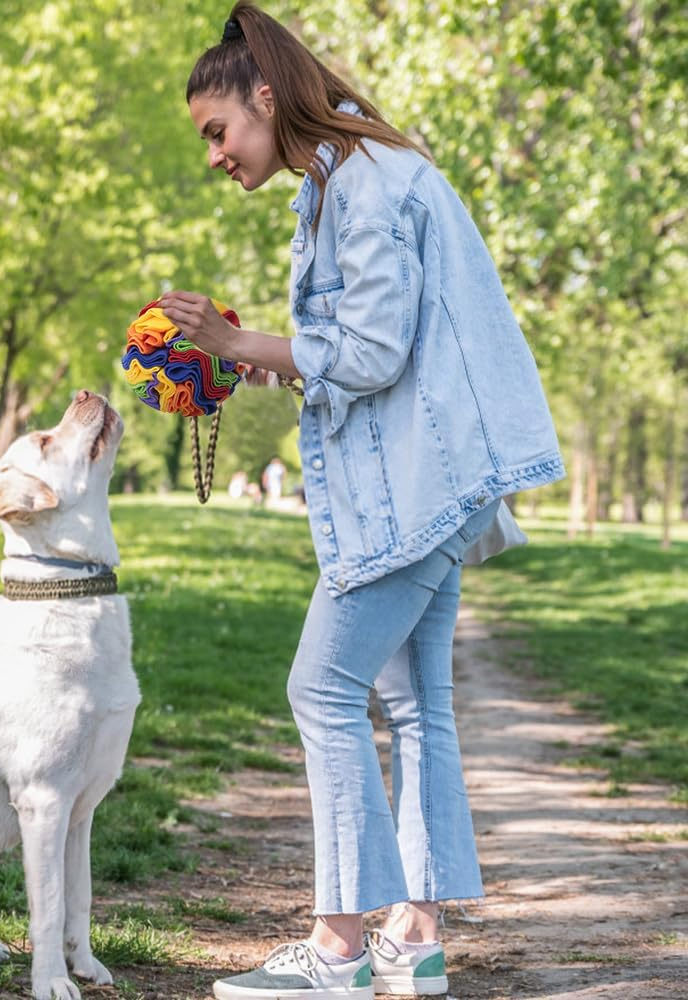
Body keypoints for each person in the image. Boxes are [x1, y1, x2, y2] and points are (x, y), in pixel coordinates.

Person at [157, 4, 564, 999]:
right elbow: (383, 349)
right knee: (415, 701)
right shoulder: (351, 178)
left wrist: (235, 341)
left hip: (411, 489)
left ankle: (338, 946)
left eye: (218, 130)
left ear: (264, 94)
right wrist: (256, 368)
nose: (215, 155)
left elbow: (374, 355)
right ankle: (412, 937)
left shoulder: (366, 183)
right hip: (431, 480)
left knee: (323, 688)